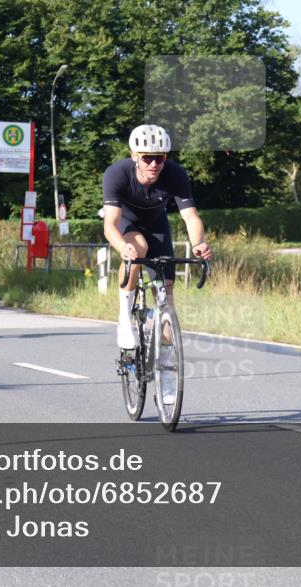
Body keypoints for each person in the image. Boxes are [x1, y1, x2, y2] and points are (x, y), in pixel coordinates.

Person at [102, 124, 213, 401]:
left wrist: (199, 244)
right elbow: (110, 225)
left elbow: (191, 217)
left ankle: (166, 377)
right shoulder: (117, 173)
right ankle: (124, 316)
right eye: (147, 157)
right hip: (128, 225)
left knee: (166, 296)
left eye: (159, 158)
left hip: (158, 226)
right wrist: (121, 246)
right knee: (137, 247)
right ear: (134, 156)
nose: (153, 164)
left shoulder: (175, 174)